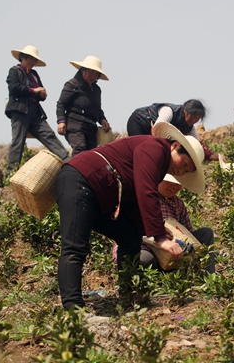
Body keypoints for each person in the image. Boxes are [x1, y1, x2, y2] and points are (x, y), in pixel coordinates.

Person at [55, 122, 205, 310]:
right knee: (74, 248)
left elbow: (133, 200)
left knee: (130, 236)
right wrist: (159, 237)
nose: (180, 171)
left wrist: (154, 227)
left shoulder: (158, 164)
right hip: (80, 180)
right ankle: (73, 310)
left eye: (185, 171)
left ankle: (129, 297)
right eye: (183, 164)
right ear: (174, 146)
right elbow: (146, 191)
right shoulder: (156, 147)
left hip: (101, 195)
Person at [112, 174, 216, 274]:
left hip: (170, 253)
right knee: (145, 260)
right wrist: (157, 239)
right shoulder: (143, 197)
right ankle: (142, 286)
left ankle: (207, 278)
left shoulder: (178, 204)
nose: (175, 187)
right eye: (171, 182)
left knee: (206, 234)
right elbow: (126, 230)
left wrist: (186, 245)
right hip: (143, 248)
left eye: (179, 184)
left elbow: (188, 232)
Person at [5, 45, 69, 176]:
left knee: (49, 136)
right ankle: (10, 174)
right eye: (31, 59)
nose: (33, 62)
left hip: (35, 112)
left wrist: (41, 94)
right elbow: (14, 88)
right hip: (20, 111)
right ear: (23, 57)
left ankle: (68, 161)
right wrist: (34, 90)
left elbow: (39, 91)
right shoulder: (14, 71)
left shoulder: (34, 74)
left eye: (34, 60)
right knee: (18, 142)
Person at [126, 99, 219, 161]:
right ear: (185, 111)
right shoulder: (169, 111)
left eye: (197, 119)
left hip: (153, 134)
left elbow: (197, 144)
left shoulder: (189, 127)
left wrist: (211, 156)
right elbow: (158, 129)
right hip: (139, 123)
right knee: (140, 153)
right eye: (192, 117)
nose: (193, 121)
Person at [56, 56, 111, 157]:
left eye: (95, 73)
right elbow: (61, 104)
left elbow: (97, 108)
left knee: (91, 154)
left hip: (90, 127)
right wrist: (61, 121)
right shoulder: (72, 85)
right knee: (80, 147)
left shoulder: (96, 90)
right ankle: (73, 172)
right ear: (83, 71)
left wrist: (102, 119)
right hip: (75, 125)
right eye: (91, 72)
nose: (93, 75)